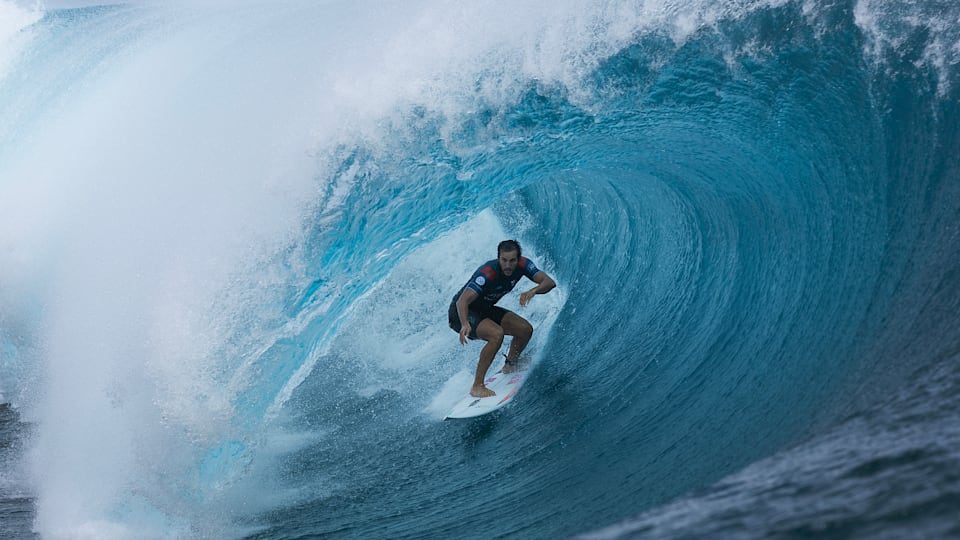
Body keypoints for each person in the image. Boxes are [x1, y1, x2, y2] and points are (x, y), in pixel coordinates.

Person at [448, 239, 556, 398]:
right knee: (496, 334)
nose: (507, 265)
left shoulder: (523, 265)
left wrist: (534, 290)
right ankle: (477, 386)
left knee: (525, 330)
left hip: (484, 309)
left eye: (512, 261)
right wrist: (464, 323)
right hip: (461, 313)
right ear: (498, 258)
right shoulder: (488, 273)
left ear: (518, 259)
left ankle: (510, 365)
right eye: (504, 260)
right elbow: (462, 301)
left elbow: (549, 282)